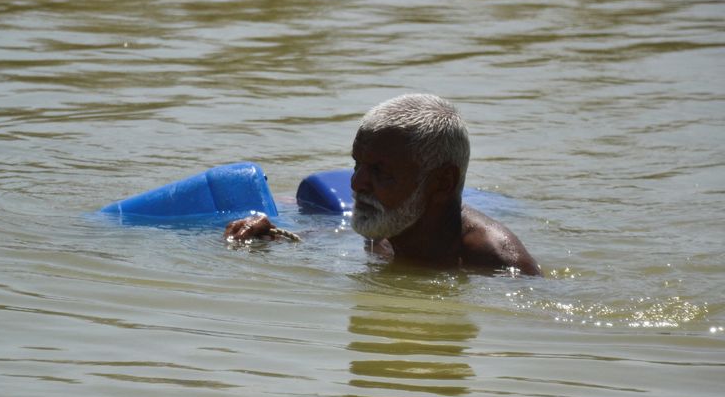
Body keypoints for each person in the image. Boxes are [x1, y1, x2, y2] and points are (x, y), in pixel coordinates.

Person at [225, 94, 541, 276]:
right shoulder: (389, 224)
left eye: (379, 171)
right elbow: (339, 237)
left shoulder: (499, 263)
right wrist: (275, 236)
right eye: (357, 164)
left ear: (442, 181)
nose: (356, 182)